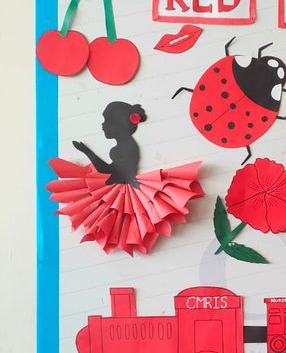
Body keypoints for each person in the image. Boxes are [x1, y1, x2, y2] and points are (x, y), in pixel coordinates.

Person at [46, 100, 203, 255]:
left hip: (126, 187)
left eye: (106, 121)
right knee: (121, 216)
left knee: (122, 216)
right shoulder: (125, 145)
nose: (103, 125)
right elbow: (111, 171)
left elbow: (108, 170)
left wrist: (88, 152)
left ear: (118, 124)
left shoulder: (126, 146)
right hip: (120, 187)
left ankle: (125, 237)